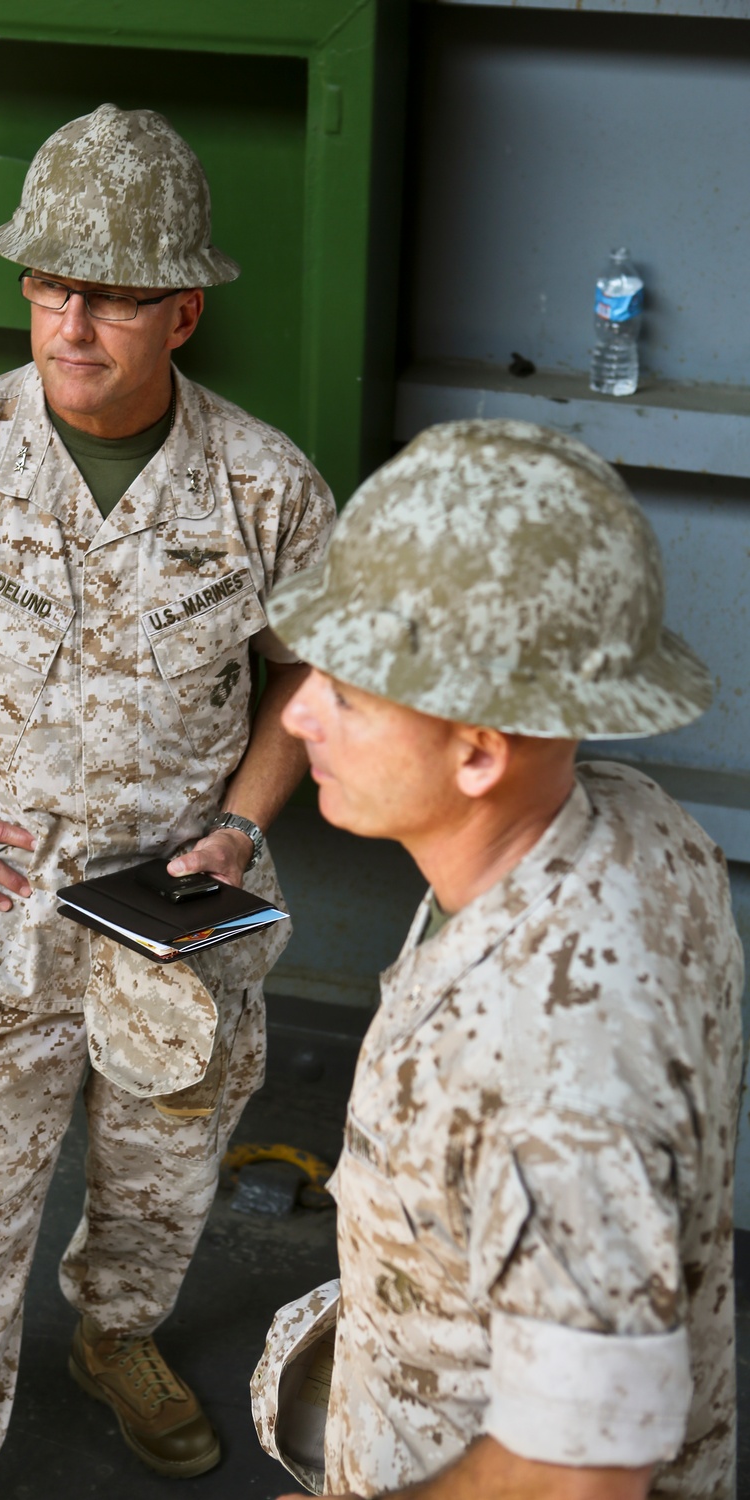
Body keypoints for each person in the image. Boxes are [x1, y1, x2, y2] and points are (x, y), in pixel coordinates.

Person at [0, 104, 334, 1499]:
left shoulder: (265, 485)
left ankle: (116, 1340)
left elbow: (313, 672)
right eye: (47, 288)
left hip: (180, 911)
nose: (71, 324)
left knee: (159, 1193)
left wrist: (247, 819)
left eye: (112, 298)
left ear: (184, 314)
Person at [250, 419, 743, 1500]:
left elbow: (582, 1471)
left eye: (347, 693)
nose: (298, 713)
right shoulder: (636, 823)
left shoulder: (555, 1054)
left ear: (478, 749)